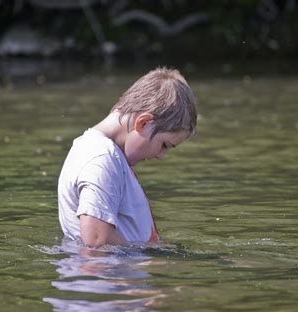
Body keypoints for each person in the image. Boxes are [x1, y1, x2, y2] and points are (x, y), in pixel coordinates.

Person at [57, 67, 197, 248]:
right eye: (164, 145)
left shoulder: (109, 155)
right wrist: (158, 262)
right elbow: (96, 240)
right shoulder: (100, 159)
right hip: (109, 275)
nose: (161, 156)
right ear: (143, 123)